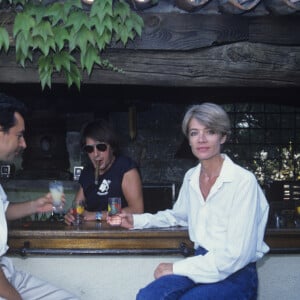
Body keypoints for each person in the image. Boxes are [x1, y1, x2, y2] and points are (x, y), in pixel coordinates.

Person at [108, 102, 270, 299]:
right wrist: (137, 220)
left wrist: (176, 267)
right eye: (194, 133)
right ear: (189, 140)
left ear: (223, 136)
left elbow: (236, 255)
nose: (201, 139)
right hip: (202, 261)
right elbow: (178, 216)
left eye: (209, 131)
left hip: (237, 272)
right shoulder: (191, 177)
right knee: (149, 296)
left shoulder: (243, 181)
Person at [0, 93, 79, 300]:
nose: (24, 144)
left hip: (6, 272)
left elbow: (3, 210)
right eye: (19, 135)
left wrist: (36, 204)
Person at [64, 119, 143, 225]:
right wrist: (71, 215)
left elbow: (137, 210)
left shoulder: (125, 168)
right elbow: (78, 207)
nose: (95, 154)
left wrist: (96, 215)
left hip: (120, 234)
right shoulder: (87, 173)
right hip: (93, 236)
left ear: (112, 147)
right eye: (89, 149)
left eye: (101, 147)